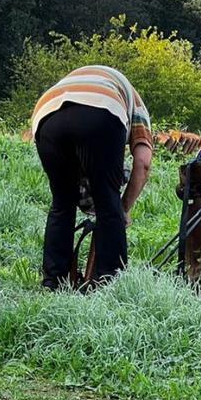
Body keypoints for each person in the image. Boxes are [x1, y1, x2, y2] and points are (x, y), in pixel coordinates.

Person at [31, 65, 153, 290]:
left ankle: (53, 281)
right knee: (108, 202)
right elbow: (143, 163)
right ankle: (108, 283)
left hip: (46, 114)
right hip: (101, 108)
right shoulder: (137, 105)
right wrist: (123, 208)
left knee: (61, 202)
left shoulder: (85, 79)